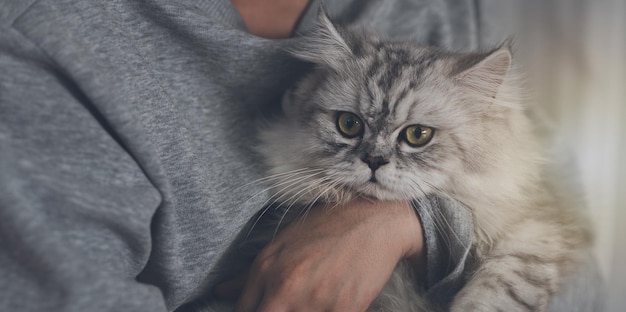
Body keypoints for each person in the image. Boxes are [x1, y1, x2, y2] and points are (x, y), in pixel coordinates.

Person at [0, 0, 601, 311]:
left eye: (414, 137)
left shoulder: (437, 12)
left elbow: (585, 281)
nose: (374, 159)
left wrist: (412, 222)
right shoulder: (46, 41)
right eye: (349, 125)